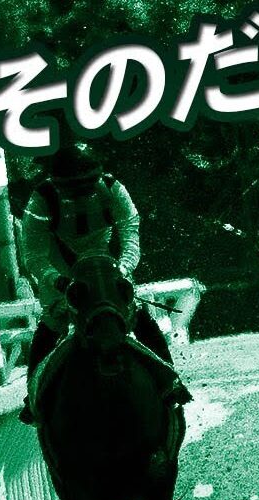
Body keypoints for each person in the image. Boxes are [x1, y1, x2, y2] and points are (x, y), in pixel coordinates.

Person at [18, 142, 190, 425]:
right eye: (73, 187)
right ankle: (33, 397)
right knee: (51, 324)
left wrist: (123, 267)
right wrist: (57, 280)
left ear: (97, 176)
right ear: (58, 184)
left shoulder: (113, 189)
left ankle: (170, 380)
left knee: (137, 316)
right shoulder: (41, 200)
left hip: (105, 264)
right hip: (59, 269)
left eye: (87, 184)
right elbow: (34, 255)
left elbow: (130, 230)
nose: (81, 193)